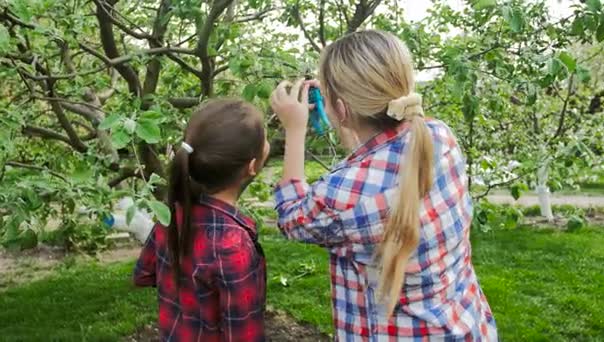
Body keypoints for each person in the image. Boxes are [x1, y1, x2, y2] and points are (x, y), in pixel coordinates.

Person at [271, 30, 497, 341]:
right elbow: (374, 161)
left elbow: (293, 218)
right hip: (465, 326)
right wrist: (346, 119)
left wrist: (294, 130)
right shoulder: (440, 137)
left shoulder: (342, 196)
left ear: (340, 109)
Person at [133, 99, 270, 342]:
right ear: (252, 166)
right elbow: (243, 335)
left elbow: (144, 274)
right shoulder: (233, 245)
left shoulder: (172, 216)